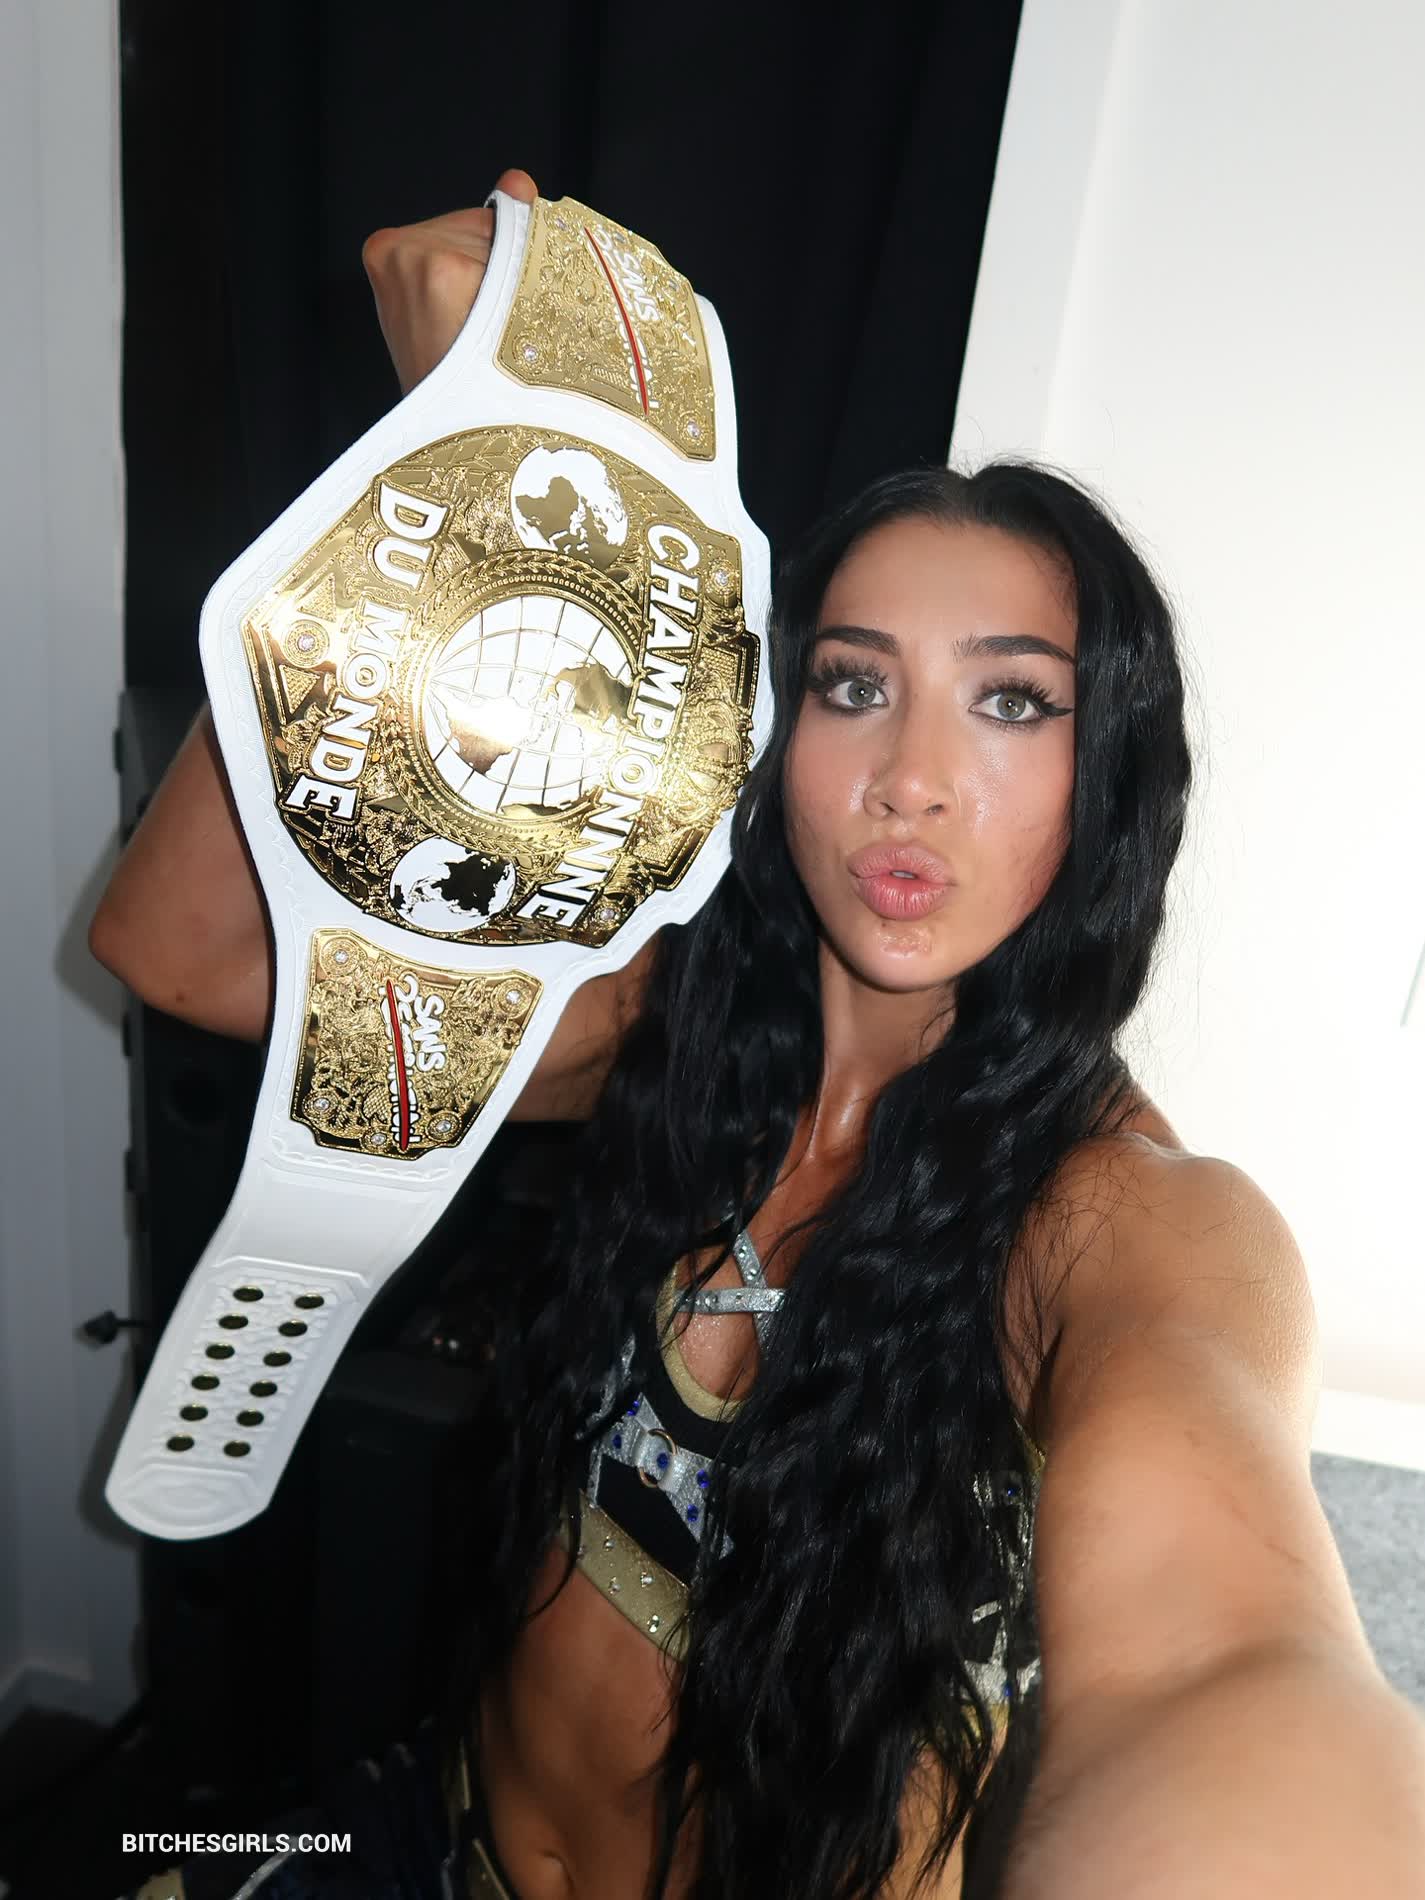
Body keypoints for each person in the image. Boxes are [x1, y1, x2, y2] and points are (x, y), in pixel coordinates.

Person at [95, 172, 1390, 1900]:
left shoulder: (1121, 1219)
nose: (909, 776)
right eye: (853, 684)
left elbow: (1223, 1661)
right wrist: (443, 471)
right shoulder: (668, 1023)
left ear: (1109, 778)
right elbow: (186, 953)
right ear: (769, 734)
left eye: (1011, 701)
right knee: (142, 1855)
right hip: (419, 1837)